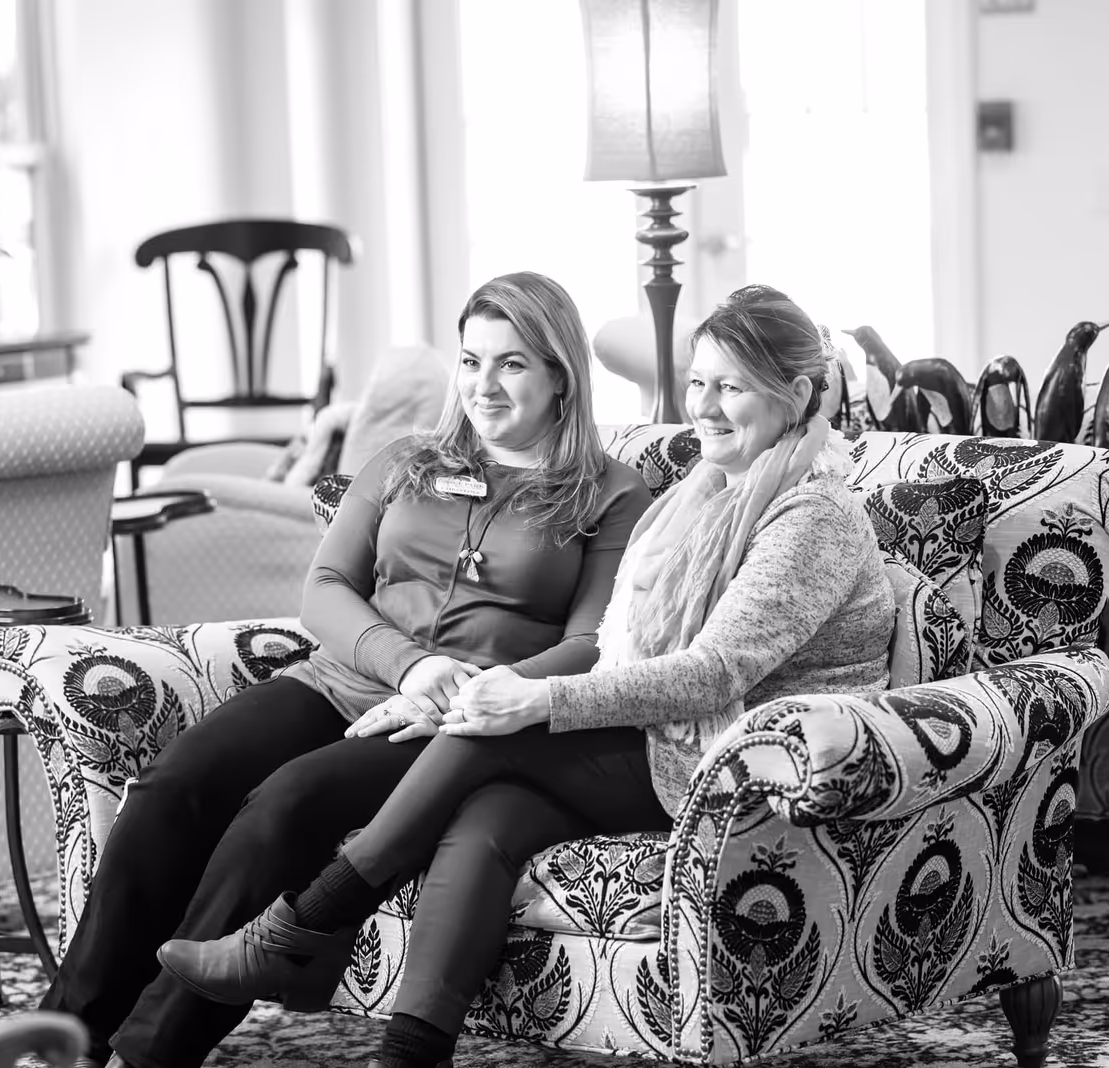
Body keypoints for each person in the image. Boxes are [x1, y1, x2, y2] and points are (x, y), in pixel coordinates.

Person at [160, 284, 896, 1068]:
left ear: (800, 394)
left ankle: (309, 922)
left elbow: (711, 674)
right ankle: (409, 1053)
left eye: (733, 387)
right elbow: (626, 641)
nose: (706, 406)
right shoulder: (708, 493)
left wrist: (530, 697)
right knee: (491, 819)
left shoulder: (810, 515)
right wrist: (450, 684)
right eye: (699, 382)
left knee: (491, 735)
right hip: (677, 734)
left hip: (740, 763)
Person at [38, 271, 652, 1068]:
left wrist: (457, 695)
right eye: (471, 361)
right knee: (175, 784)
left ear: (561, 376)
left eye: (511, 365)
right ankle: (64, 1037)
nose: (484, 386)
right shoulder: (404, 462)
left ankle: (150, 1052)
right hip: (347, 679)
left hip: (455, 721)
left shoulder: (610, 494)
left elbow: (593, 642)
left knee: (284, 809)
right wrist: (407, 667)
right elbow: (325, 589)